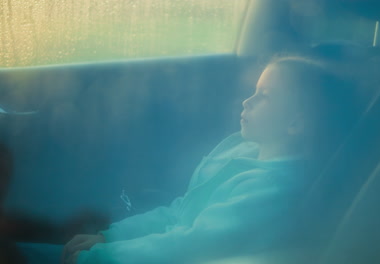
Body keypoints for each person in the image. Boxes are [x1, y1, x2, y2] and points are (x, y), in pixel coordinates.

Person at [56, 56, 360, 264]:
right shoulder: (240, 151)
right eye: (253, 91)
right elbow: (179, 212)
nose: (246, 101)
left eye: (263, 95)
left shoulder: (275, 190)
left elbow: (191, 245)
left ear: (295, 124)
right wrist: (109, 238)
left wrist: (104, 257)